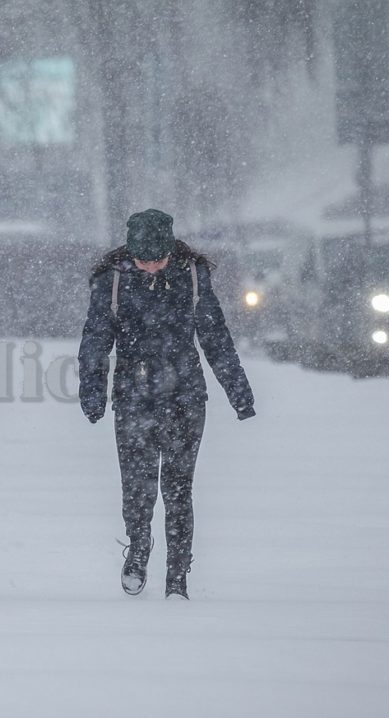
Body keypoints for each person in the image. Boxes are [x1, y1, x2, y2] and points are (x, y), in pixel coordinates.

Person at [77, 209, 255, 599]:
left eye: (160, 258)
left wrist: (238, 391)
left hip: (185, 398)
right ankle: (138, 549)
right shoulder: (113, 281)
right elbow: (95, 340)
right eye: (145, 259)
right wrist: (92, 390)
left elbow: (215, 337)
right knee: (137, 488)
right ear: (131, 252)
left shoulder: (191, 276)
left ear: (172, 250)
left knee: (178, 488)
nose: (154, 266)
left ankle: (178, 576)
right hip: (133, 397)